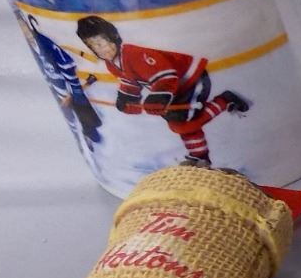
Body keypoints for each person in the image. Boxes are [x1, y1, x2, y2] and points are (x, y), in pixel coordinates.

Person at [75, 15, 250, 166]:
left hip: (191, 79)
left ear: (113, 37)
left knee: (185, 123)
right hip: (173, 90)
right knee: (179, 123)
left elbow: (166, 75)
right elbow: (130, 82)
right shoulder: (112, 64)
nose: (100, 50)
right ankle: (199, 156)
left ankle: (224, 101)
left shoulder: (133, 54)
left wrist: (158, 97)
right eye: (93, 46)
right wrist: (127, 99)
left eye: (101, 43)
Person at [19, 11, 101, 146]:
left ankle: (89, 134)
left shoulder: (45, 43)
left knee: (84, 116)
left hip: (70, 91)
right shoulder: (35, 46)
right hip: (59, 89)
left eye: (26, 29)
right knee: (72, 118)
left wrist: (75, 92)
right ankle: (82, 137)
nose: (26, 34)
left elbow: (66, 65)